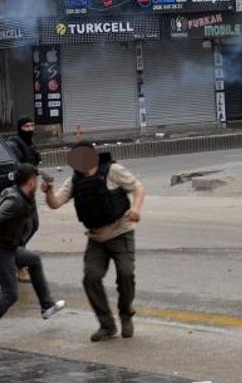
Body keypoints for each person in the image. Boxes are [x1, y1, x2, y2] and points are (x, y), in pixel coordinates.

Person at [42, 142, 145, 342]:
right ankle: (107, 325)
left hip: (120, 232)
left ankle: (125, 314)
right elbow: (55, 203)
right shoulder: (75, 181)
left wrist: (136, 209)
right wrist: (48, 191)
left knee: (126, 273)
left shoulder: (112, 170)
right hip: (96, 238)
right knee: (91, 278)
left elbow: (138, 188)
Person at [0, 164, 65, 345]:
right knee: (10, 295)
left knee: (33, 260)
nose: (37, 184)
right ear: (31, 182)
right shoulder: (14, 201)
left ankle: (47, 306)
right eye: (36, 181)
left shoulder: (14, 192)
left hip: (10, 249)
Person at [7, 117, 41, 283]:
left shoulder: (29, 144)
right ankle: (19, 265)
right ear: (20, 128)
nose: (30, 128)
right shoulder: (14, 145)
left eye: (32, 125)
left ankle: (16, 258)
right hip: (21, 193)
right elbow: (15, 169)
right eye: (26, 126)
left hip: (30, 191)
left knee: (33, 225)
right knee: (24, 228)